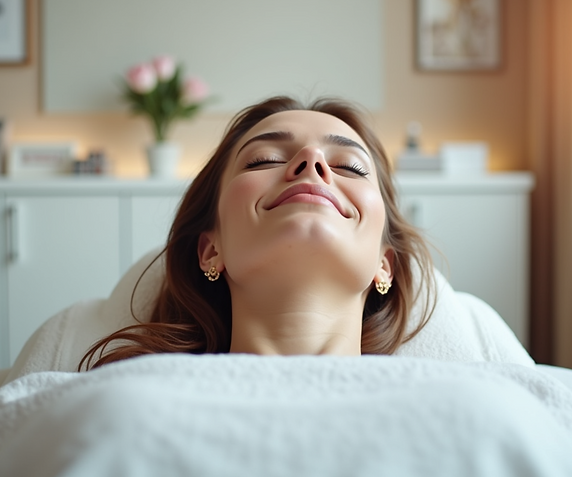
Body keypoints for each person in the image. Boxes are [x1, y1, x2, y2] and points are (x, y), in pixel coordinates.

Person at [81, 96, 435, 369]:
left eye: (349, 167)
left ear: (385, 264)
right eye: (263, 160)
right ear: (209, 250)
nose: (312, 159)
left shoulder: (465, 401)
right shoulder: (118, 401)